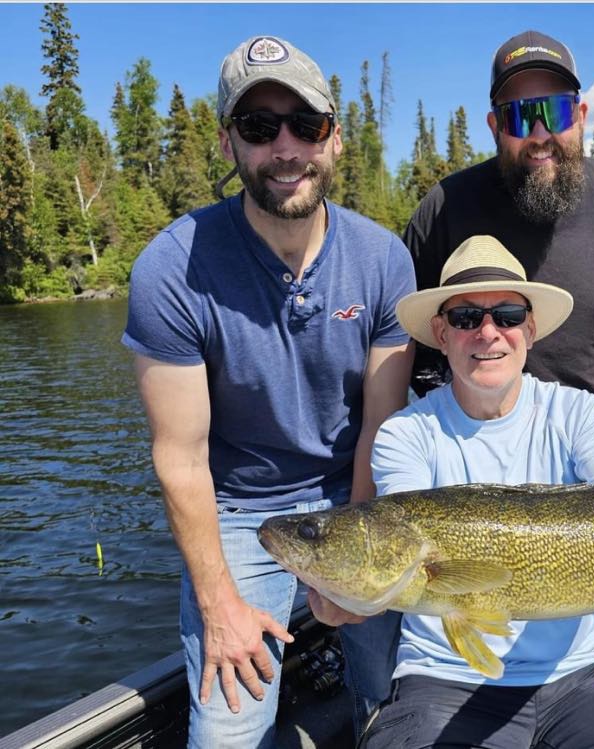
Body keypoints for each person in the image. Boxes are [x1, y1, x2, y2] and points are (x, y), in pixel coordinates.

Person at [315, 235, 594, 747]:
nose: (488, 332)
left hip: (583, 675)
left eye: (508, 315)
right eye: (466, 317)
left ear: (530, 330)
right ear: (441, 334)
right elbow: (396, 543)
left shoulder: (581, 414)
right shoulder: (406, 434)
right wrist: (350, 595)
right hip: (441, 682)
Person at [121, 35, 415, 748]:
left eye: (305, 124)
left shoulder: (383, 259)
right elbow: (182, 459)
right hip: (240, 511)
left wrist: (359, 566)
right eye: (259, 127)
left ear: (335, 139)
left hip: (358, 499)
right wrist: (220, 601)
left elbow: (380, 431)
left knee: (394, 696)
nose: (285, 148)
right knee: (227, 731)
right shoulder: (171, 269)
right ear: (228, 145)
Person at [402, 29, 594, 690]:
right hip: (484, 418)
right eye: (520, 116)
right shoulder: (443, 208)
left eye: (555, 111)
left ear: (582, 115)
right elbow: (428, 351)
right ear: (494, 127)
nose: (539, 132)